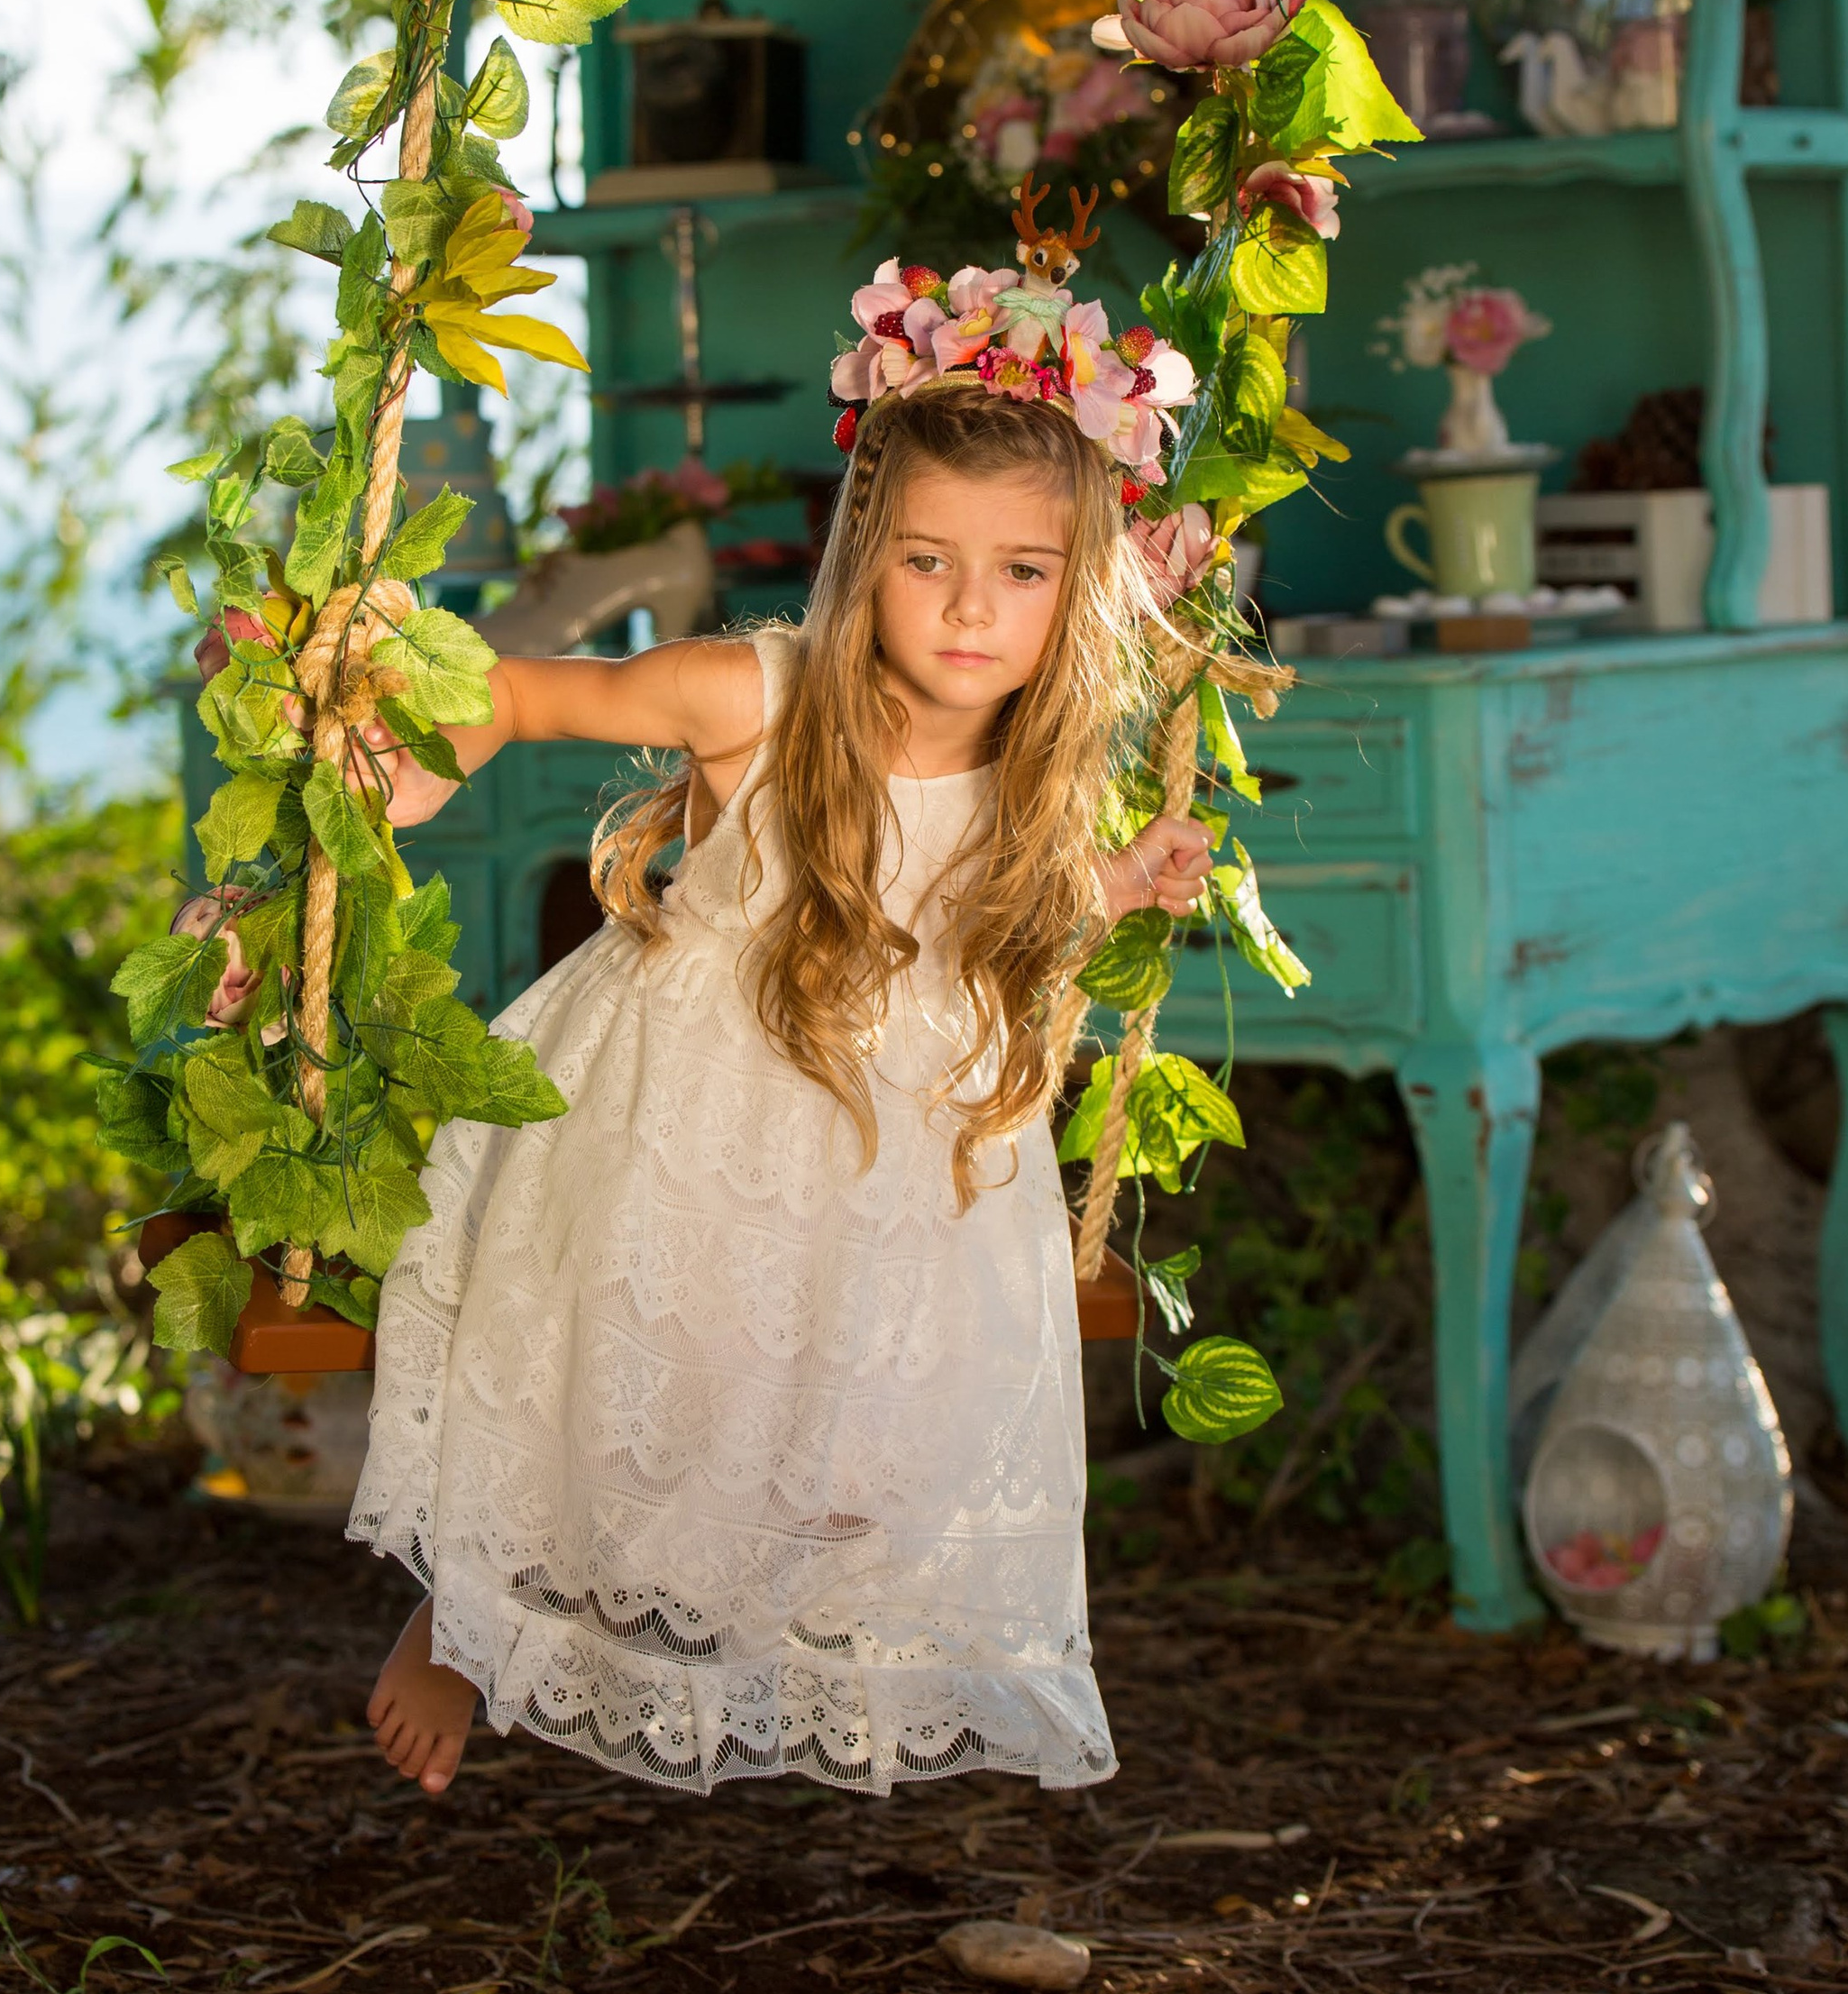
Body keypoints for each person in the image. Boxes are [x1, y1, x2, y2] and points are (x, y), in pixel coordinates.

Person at [352, 229, 1212, 1801]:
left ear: (1073, 587)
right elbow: (532, 692)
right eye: (929, 562)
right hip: (687, 1123)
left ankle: (781, 1634)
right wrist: (427, 752)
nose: (970, 610)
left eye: (1021, 574)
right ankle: (466, 1624)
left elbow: (987, 902)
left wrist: (1122, 876)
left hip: (909, 1146)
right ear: (864, 551)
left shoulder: (1036, 773)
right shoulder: (762, 695)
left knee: (869, 1439)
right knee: (628, 1389)